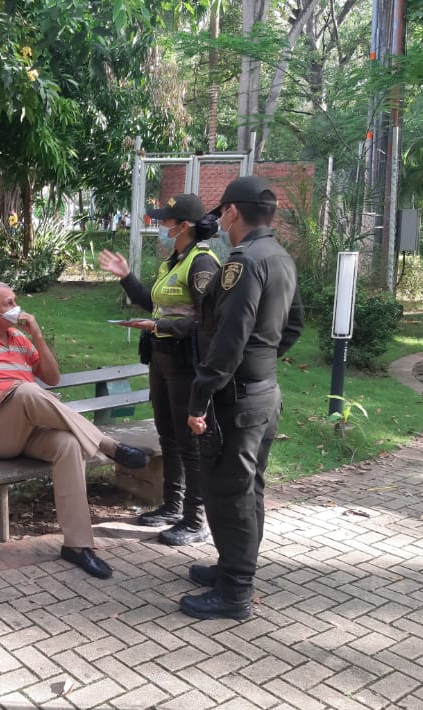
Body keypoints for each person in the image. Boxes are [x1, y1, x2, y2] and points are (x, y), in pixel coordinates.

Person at [0, 281, 151, 579]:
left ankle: (77, 545)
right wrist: (9, 392)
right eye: (8, 302)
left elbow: (53, 378)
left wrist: (38, 337)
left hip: (30, 430)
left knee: (68, 444)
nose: (16, 305)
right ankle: (109, 446)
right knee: (26, 391)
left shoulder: (19, 339)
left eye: (14, 299)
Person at [182, 176, 304, 620]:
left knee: (229, 493)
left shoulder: (244, 263)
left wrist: (199, 400)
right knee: (247, 489)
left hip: (237, 399)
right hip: (263, 393)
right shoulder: (279, 256)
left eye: (220, 213)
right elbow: (293, 327)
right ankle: (233, 569)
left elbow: (228, 340)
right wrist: (263, 362)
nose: (218, 220)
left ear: (232, 212)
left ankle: (235, 593)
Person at [98, 194, 220, 548]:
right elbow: (153, 302)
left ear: (184, 226)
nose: (161, 225)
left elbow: (206, 323)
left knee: (188, 442)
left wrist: (158, 327)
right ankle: (172, 505)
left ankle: (196, 520)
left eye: (167, 221)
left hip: (185, 363)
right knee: (168, 437)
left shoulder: (202, 264)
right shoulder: (174, 261)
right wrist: (126, 277)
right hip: (162, 360)